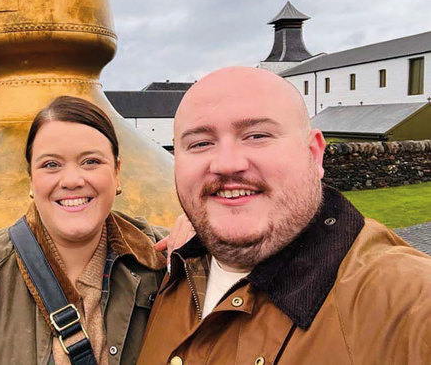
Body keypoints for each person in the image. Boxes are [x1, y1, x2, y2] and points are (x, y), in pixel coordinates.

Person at [138, 66, 431, 364]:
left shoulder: (407, 301)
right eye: (200, 143)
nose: (226, 164)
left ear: (314, 153)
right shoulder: (159, 274)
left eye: (256, 135)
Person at [0, 96, 169, 364]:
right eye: (51, 165)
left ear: (117, 172)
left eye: (91, 162)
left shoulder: (166, 261)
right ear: (31, 180)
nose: (72, 180)